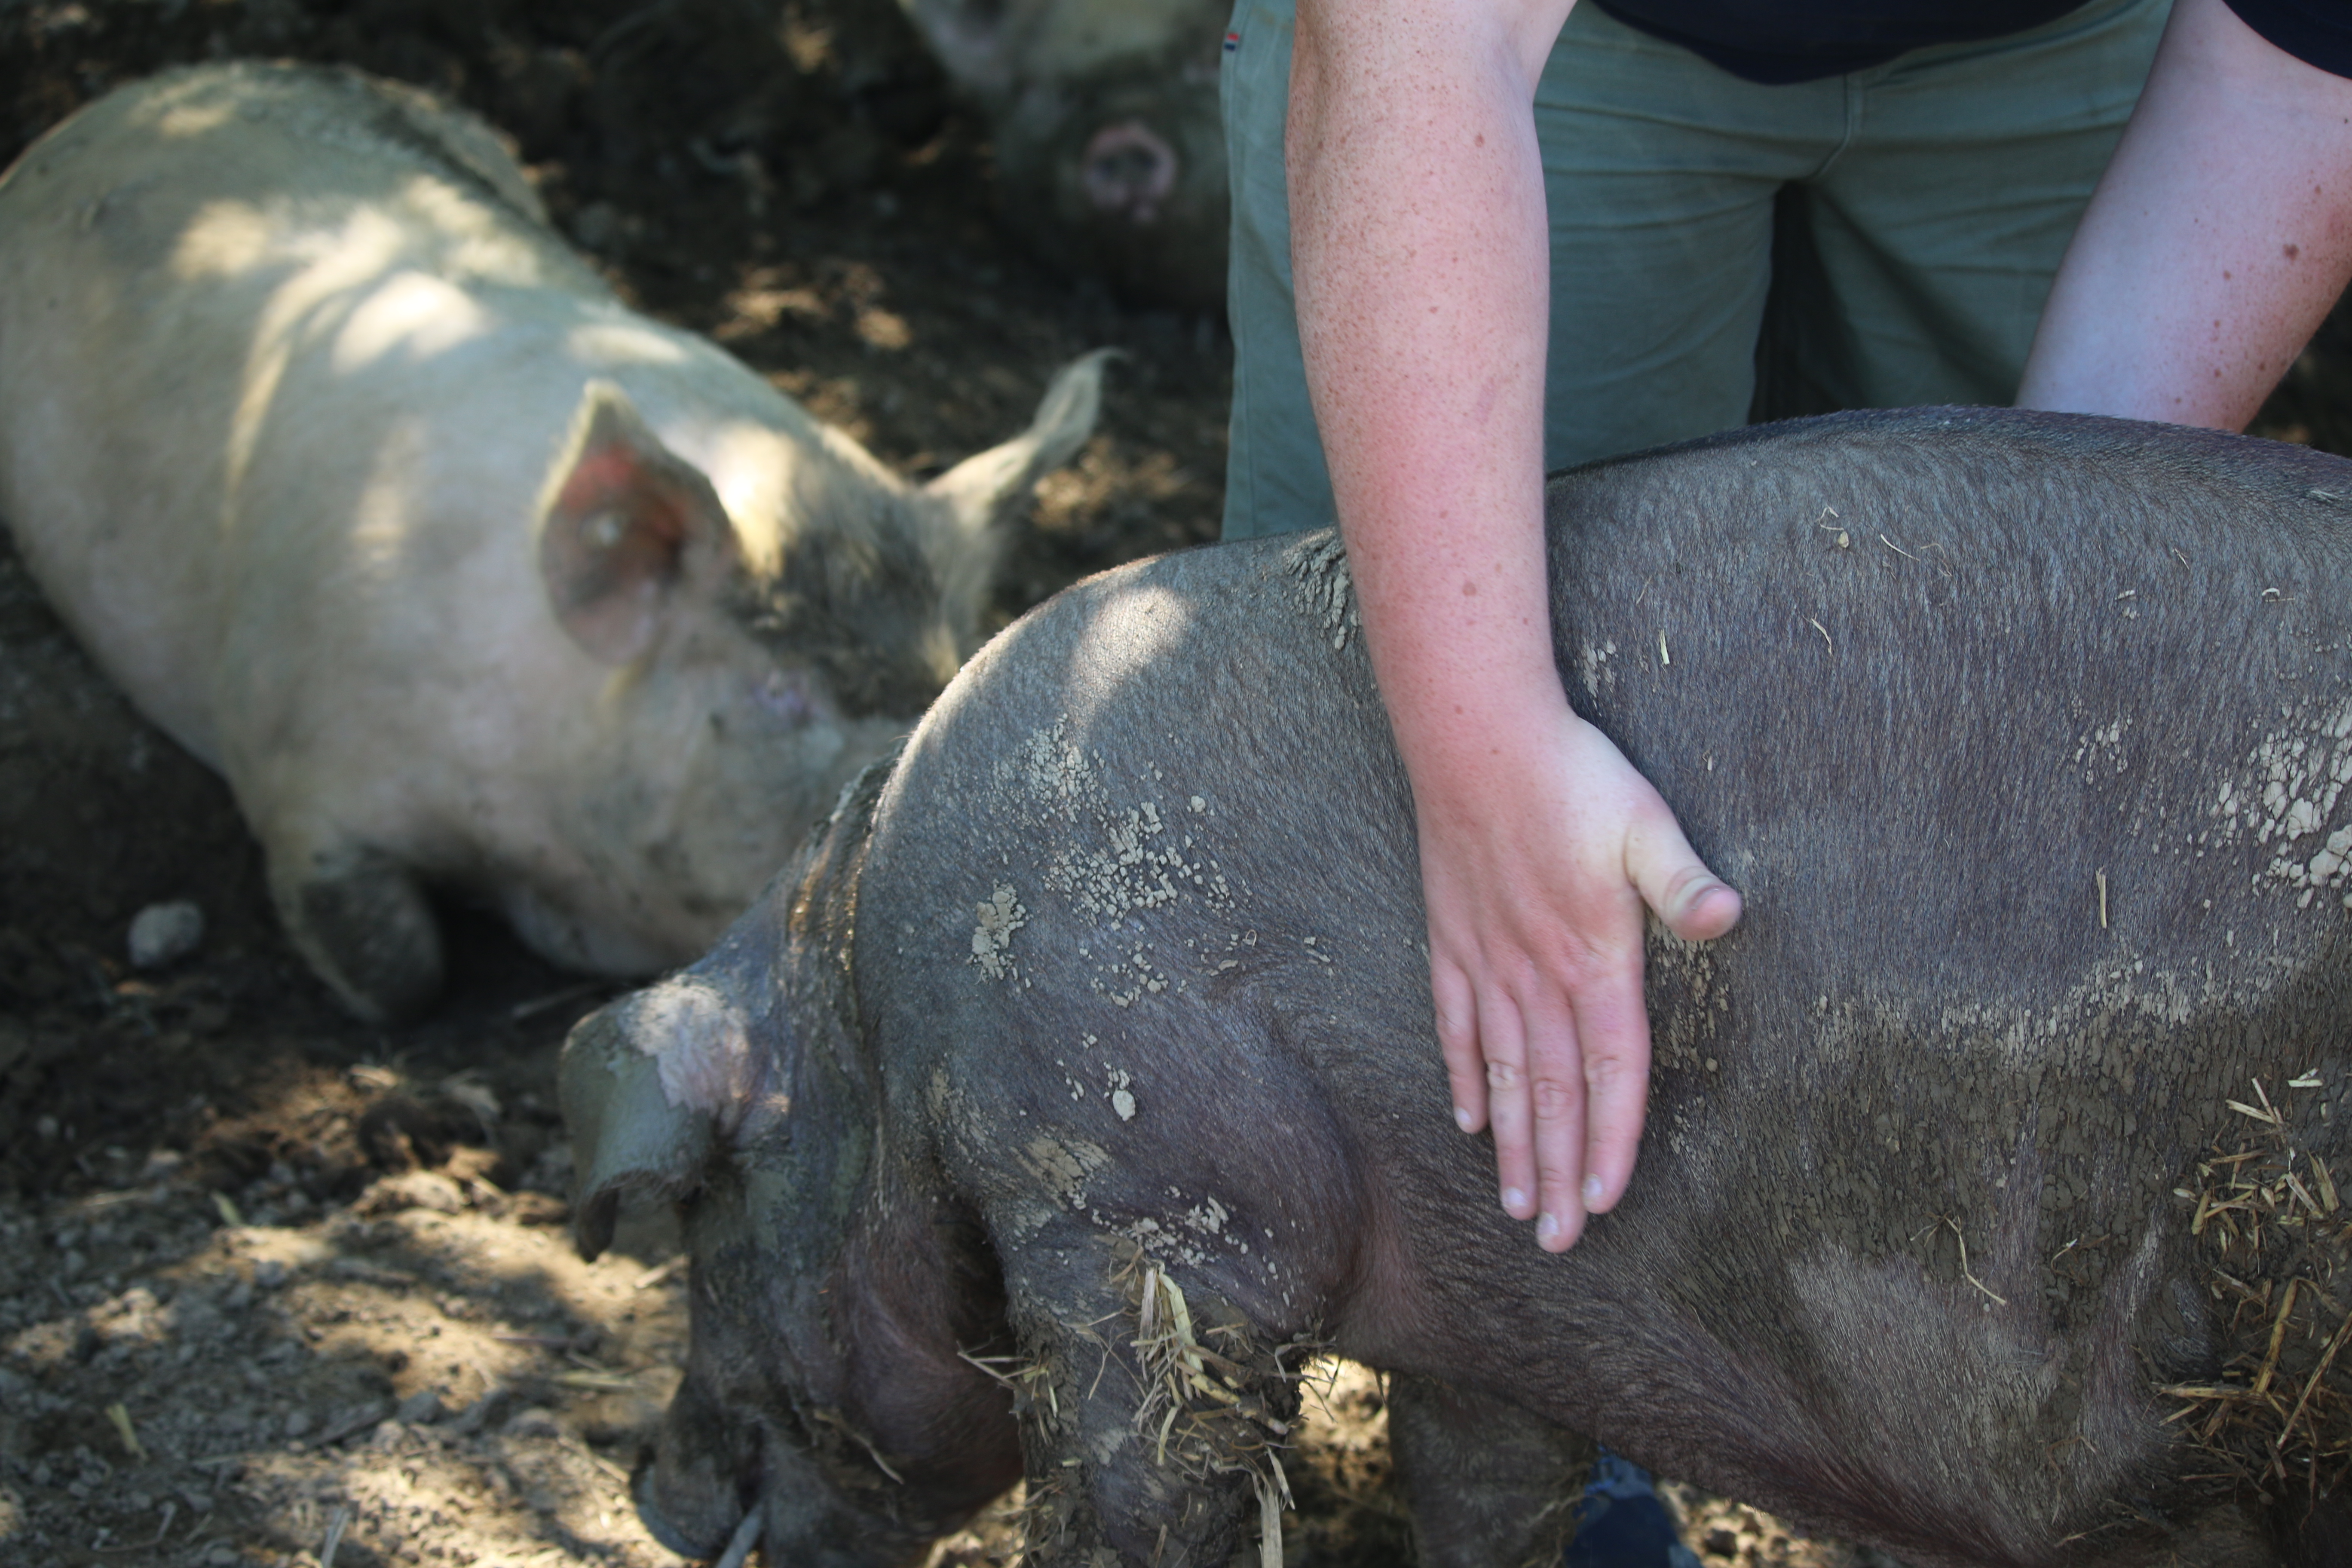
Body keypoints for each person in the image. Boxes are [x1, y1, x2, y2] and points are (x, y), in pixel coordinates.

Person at [1220, 0, 2352, 1254]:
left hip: (2091, 50)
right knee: (1431, 771)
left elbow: (2299, 79)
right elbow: (1416, 41)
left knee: (1992, 767)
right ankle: (1508, 1347)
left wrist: (2037, 603)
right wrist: (1476, 746)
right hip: (1542, 43)